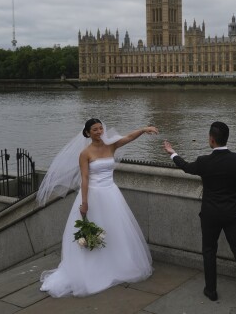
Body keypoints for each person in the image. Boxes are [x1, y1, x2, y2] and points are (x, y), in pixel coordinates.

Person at [37, 118, 158, 297]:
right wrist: (84, 203)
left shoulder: (111, 146)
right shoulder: (85, 153)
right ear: (87, 133)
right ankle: (92, 267)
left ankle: (115, 264)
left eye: (101, 128)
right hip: (93, 196)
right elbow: (85, 179)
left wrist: (144, 129)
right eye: (95, 129)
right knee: (92, 232)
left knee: (114, 230)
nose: (100, 131)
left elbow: (129, 137)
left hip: (111, 194)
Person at [163, 121, 236, 309]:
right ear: (227, 138)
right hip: (232, 213)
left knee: (209, 251)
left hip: (209, 213)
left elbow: (186, 167)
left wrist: (173, 153)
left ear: (211, 139)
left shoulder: (204, 162)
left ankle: (211, 290)